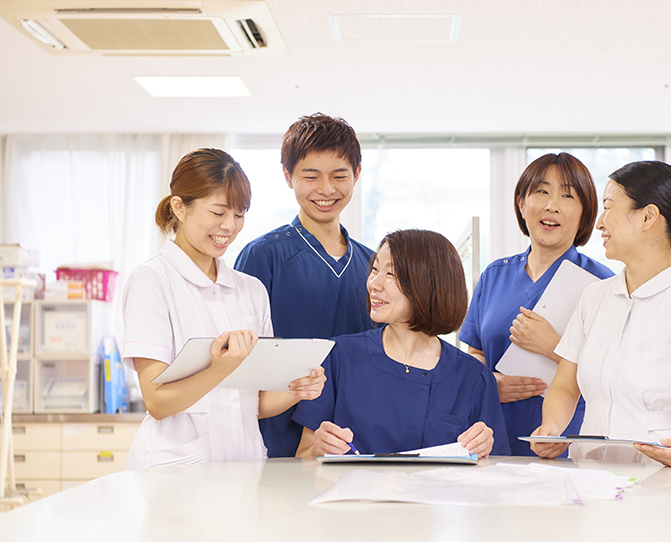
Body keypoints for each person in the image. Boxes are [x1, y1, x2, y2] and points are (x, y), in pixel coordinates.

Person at [122, 148, 326, 469]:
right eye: (218, 212)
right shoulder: (152, 280)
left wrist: (296, 389)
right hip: (176, 472)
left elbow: (253, 403)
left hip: (243, 466)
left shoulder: (251, 290)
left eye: (239, 213)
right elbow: (157, 402)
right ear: (179, 207)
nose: (229, 226)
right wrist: (219, 369)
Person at [531, 161, 671, 467]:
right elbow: (564, 387)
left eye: (609, 206)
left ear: (648, 216)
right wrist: (552, 428)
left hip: (663, 483)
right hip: (591, 477)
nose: (599, 222)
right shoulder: (593, 298)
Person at [294, 229, 510, 458]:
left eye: (391, 275)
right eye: (375, 269)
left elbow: (494, 472)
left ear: (430, 285)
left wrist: (483, 450)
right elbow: (303, 457)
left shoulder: (473, 377)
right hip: (355, 494)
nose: (373, 284)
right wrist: (318, 449)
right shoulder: (338, 358)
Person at [235, 113, 377, 457]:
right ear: (288, 176)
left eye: (339, 176)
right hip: (277, 439)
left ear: (357, 175)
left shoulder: (373, 265)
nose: (326, 190)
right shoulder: (262, 256)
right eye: (310, 176)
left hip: (353, 438)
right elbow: (241, 363)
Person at [459, 153, 614, 456]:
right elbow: (475, 351)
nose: (551, 205)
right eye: (541, 192)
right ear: (521, 204)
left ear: (585, 214)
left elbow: (613, 372)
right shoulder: (494, 275)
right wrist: (486, 383)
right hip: (493, 436)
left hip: (569, 437)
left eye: (567, 195)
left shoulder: (603, 284)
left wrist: (553, 346)